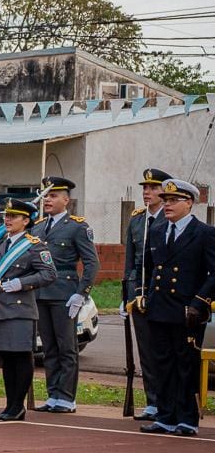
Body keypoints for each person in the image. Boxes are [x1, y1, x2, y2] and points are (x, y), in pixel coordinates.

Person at [139, 179, 215, 437]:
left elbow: (213, 274)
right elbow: (150, 268)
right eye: (166, 200)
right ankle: (165, 416)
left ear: (189, 203)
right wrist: (145, 297)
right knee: (162, 364)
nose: (167, 205)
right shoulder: (158, 230)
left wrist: (198, 303)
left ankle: (186, 418)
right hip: (160, 308)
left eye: (173, 201)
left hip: (187, 312)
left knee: (185, 365)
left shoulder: (204, 233)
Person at [0, 198, 56, 421]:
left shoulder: (34, 244)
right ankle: (10, 404)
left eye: (13, 216)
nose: (7, 220)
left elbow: (49, 273)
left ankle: (18, 405)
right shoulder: (0, 244)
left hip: (20, 310)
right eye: (6, 215)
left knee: (21, 357)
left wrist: (22, 283)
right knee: (6, 358)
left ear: (26, 220)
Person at [29, 176, 98, 414]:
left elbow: (91, 264)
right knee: (48, 347)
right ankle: (53, 395)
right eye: (46, 195)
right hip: (41, 294)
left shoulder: (77, 226)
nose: (47, 199)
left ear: (66, 200)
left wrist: (82, 293)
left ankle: (66, 397)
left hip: (64, 293)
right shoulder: (38, 226)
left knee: (66, 347)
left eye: (53, 195)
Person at [123, 168, 171, 421]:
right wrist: (126, 295)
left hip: (163, 294)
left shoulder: (170, 219)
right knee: (146, 352)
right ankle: (152, 401)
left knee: (163, 350)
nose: (147, 192)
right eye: (145, 188)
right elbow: (131, 261)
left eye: (153, 188)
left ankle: (167, 402)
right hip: (138, 294)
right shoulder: (138, 220)